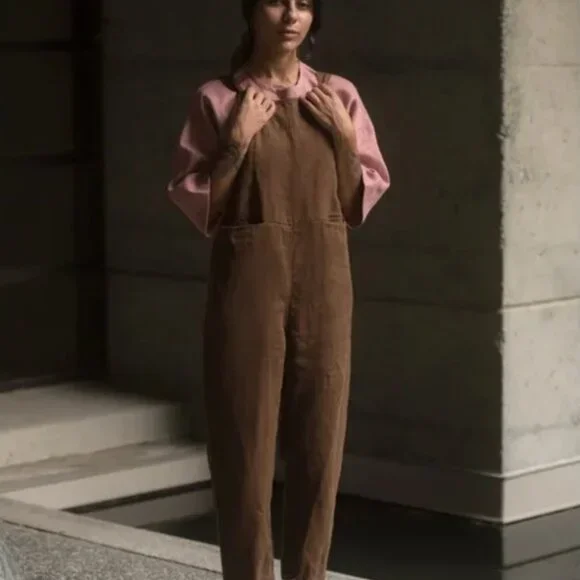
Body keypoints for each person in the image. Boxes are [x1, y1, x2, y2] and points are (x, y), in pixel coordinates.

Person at [167, 1, 390, 578]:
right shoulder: (218, 100)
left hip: (325, 283)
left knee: (320, 447)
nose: (292, 15)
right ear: (250, 12)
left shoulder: (339, 96)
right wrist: (235, 144)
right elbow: (202, 208)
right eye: (276, 1)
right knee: (243, 449)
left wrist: (345, 137)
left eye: (305, 4)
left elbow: (356, 202)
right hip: (248, 284)